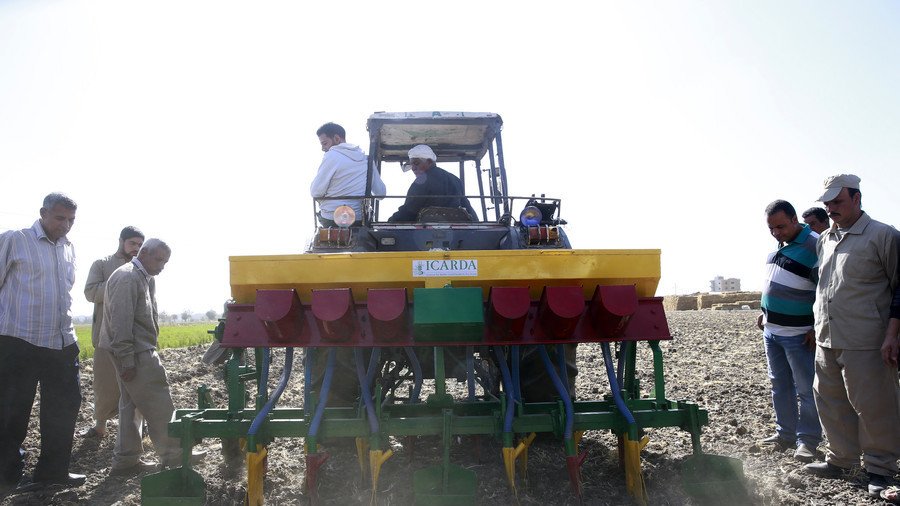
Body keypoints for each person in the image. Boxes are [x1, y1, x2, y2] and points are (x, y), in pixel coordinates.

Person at [801, 174, 900, 499]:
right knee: (829, 399)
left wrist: (893, 333)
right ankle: (840, 459)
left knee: (873, 405)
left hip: (867, 338)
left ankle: (880, 468)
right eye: (827, 203)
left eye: (838, 202)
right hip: (827, 336)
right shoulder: (825, 239)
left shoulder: (883, 236)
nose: (831, 209)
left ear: (857, 198)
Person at [0, 193, 86, 495]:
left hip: (61, 341)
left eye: (71, 220)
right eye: (60, 218)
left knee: (64, 408)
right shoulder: (14, 240)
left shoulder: (69, 248)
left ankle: (53, 472)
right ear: (43, 213)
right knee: (11, 412)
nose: (66, 225)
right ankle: (7, 479)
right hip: (18, 340)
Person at [99, 239, 204, 475]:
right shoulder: (127, 277)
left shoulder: (143, 277)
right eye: (158, 259)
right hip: (135, 351)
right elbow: (120, 321)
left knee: (130, 406)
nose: (162, 266)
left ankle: (126, 461)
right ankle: (176, 454)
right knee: (158, 400)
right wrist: (127, 358)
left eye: (165, 262)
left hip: (135, 349)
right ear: (143, 253)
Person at [756, 200, 821, 462]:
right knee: (779, 385)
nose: (776, 233)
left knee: (806, 389)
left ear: (795, 220)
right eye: (771, 228)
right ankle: (785, 434)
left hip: (799, 334)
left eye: (781, 226)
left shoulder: (815, 244)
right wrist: (765, 310)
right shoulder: (779, 245)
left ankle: (808, 440)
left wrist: (816, 328)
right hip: (771, 331)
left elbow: (826, 290)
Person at [82, 226, 145, 439]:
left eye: (139, 245)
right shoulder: (102, 264)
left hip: (134, 337)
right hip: (105, 335)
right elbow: (90, 292)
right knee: (104, 384)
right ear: (121, 241)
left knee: (136, 385)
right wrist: (117, 285)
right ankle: (100, 426)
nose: (136, 248)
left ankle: (134, 432)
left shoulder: (142, 268)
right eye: (132, 243)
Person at [310, 122, 386, 227]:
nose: (323, 148)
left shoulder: (332, 155)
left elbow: (316, 192)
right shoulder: (366, 160)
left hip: (332, 219)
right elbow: (381, 193)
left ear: (337, 138)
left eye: (324, 143)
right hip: (359, 220)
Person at [387, 144, 478, 222]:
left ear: (429, 162)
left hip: (425, 234)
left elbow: (409, 210)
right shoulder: (455, 180)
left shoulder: (421, 181)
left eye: (416, 163)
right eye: (412, 165)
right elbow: (467, 206)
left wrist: (390, 222)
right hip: (457, 234)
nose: (413, 168)